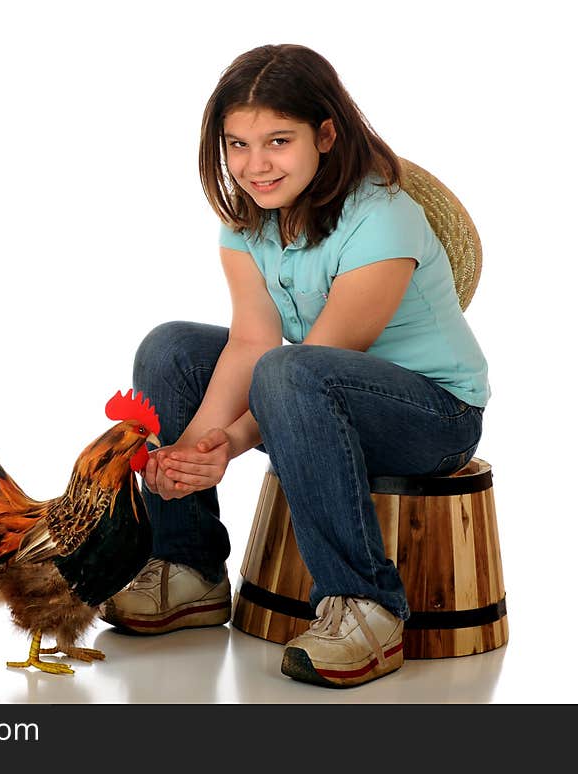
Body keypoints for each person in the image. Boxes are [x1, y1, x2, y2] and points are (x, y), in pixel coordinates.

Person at [99, 43, 489, 688]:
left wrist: (228, 443)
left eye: (278, 141)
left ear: (326, 134)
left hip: (432, 414)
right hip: (313, 386)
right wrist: (189, 453)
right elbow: (253, 343)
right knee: (171, 346)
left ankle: (365, 605)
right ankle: (188, 568)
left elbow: (323, 357)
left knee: (297, 369)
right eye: (237, 144)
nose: (255, 166)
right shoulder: (248, 222)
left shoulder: (382, 217)